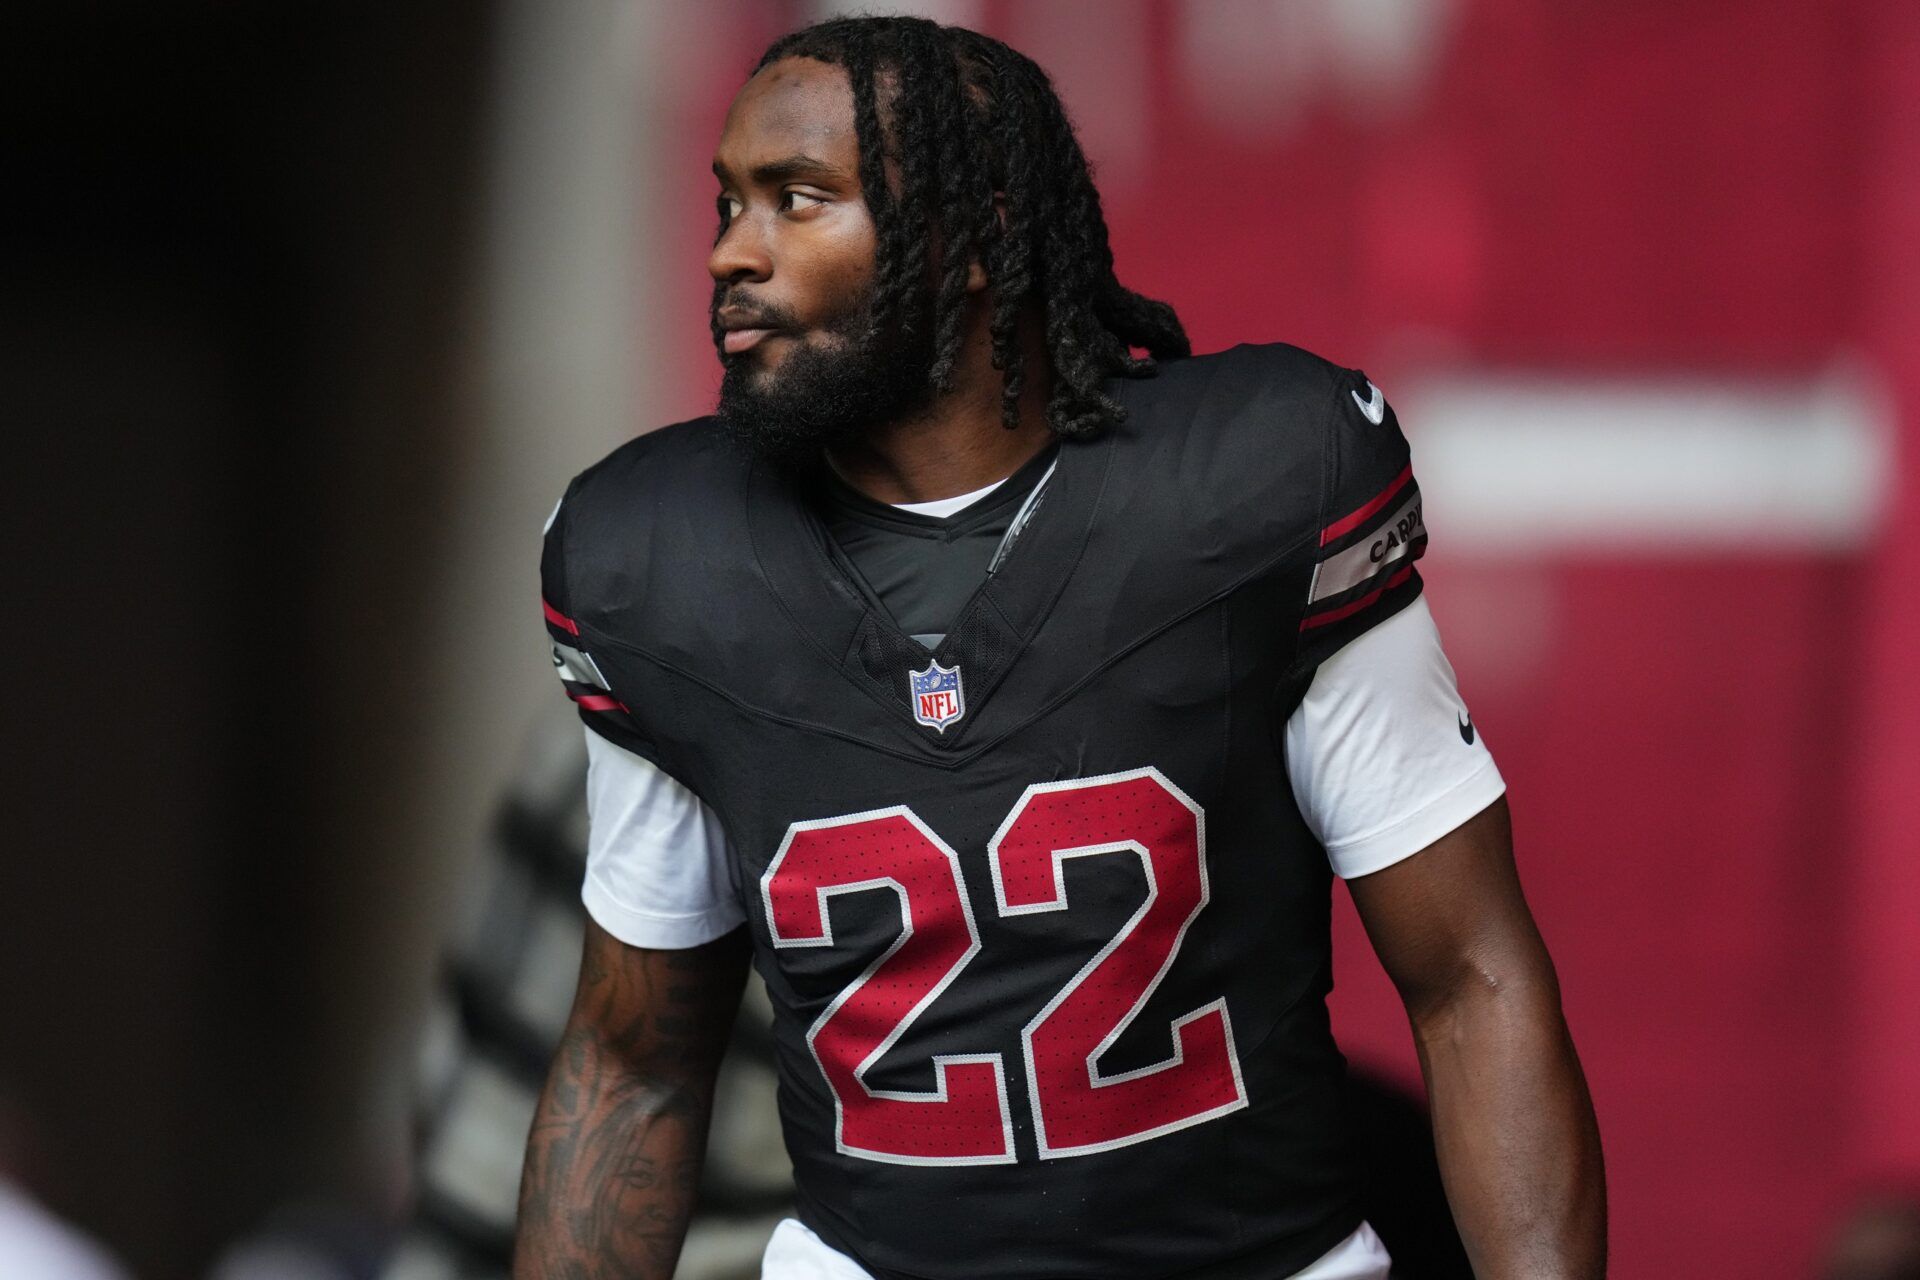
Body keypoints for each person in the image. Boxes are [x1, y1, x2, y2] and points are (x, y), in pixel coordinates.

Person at [513, 15, 1604, 1280]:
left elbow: (1469, 976)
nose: (730, 254)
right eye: (727, 203)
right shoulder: (661, 560)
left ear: (971, 236)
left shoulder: (1244, 492)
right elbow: (633, 1059)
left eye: (798, 201)